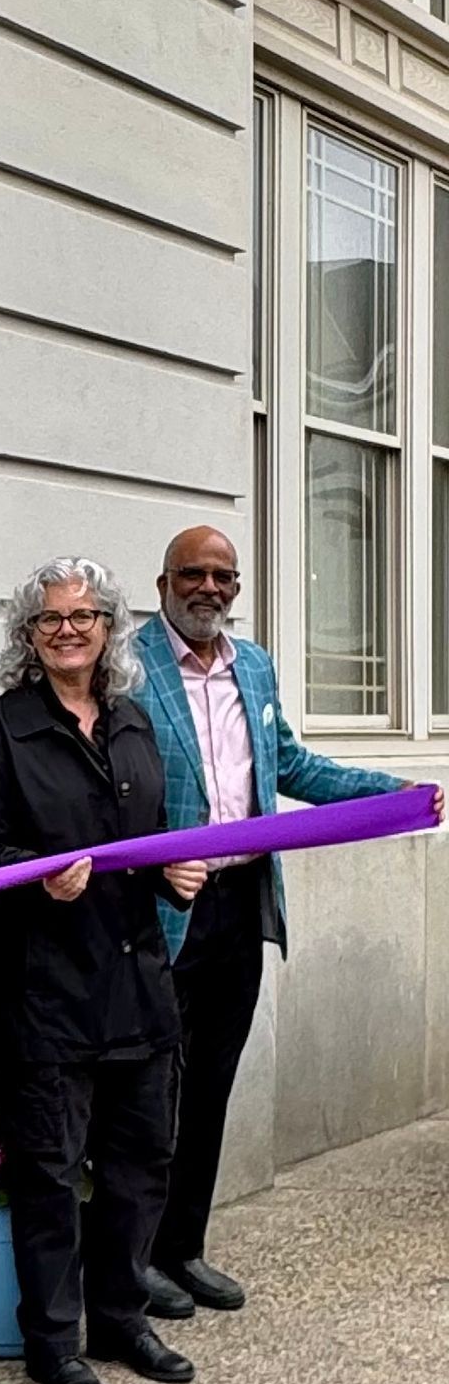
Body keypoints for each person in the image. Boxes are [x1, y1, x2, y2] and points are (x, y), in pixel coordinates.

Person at [134, 525, 437, 1318]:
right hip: (164, 907)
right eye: (192, 574)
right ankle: (128, 1259)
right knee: (147, 1091)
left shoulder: (256, 664)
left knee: (209, 1087)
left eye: (223, 577)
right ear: (162, 583)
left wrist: (390, 795)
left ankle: (182, 1248)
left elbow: (293, 765)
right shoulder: (129, 665)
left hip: (240, 907)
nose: (208, 589)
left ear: (236, 589)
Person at [0, 558, 207, 1384]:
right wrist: (37, 876)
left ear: (109, 627)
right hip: (44, 991)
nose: (68, 629)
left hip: (138, 981)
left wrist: (176, 876)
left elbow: (149, 840)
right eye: (50, 618)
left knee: (142, 1164)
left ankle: (123, 1317)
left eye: (84, 615)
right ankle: (53, 1343)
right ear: (29, 637)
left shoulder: (133, 722)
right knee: (50, 1174)